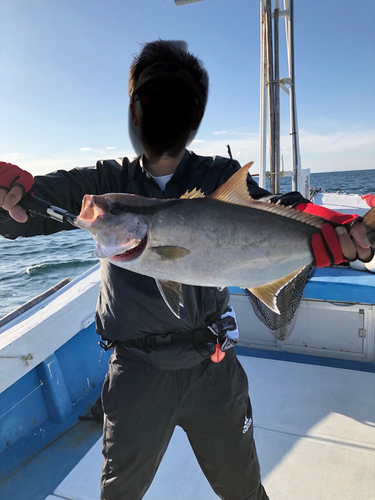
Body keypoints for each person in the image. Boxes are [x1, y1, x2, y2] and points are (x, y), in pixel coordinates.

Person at [0, 40, 372, 500]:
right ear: (135, 111)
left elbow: (271, 207)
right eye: (154, 101)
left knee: (244, 492)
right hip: (136, 371)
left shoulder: (219, 175)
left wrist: (338, 229)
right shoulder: (105, 185)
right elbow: (33, 206)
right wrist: (9, 195)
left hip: (211, 368)